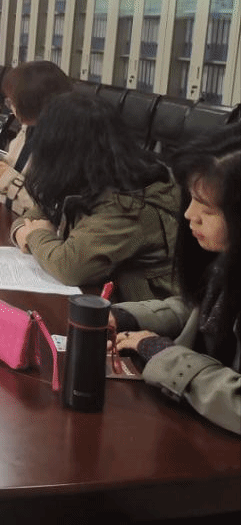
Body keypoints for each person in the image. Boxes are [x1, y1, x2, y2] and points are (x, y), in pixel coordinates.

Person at [110, 126, 240, 435]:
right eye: (191, 199)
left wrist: (164, 355)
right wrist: (127, 316)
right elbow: (203, 311)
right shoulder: (227, 261)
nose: (189, 215)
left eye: (207, 208)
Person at [11, 92, 179, 301]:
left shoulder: (128, 202)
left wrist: (33, 235)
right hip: (105, 300)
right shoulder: (87, 177)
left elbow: (69, 267)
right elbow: (32, 217)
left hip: (139, 312)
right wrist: (22, 231)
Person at [0, 60, 72, 215]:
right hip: (7, 213)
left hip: (29, 224)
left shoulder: (63, 144)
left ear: (31, 103)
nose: (10, 107)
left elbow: (49, 210)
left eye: (12, 101)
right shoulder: (29, 128)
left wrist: (7, 181)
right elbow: (18, 165)